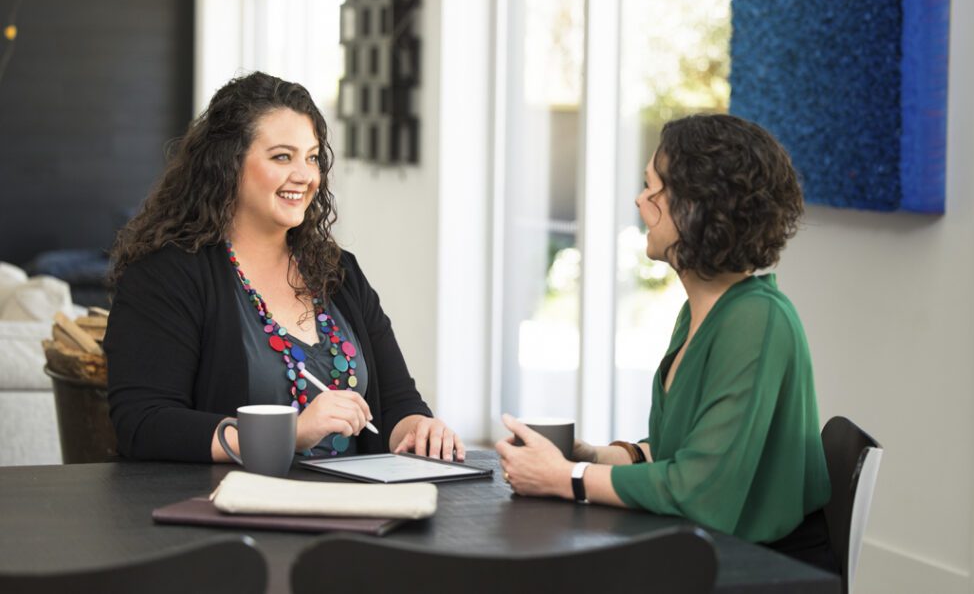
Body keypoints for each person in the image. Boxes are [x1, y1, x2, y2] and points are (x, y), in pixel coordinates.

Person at [496, 114, 836, 572]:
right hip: (714, 550)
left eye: (651, 188)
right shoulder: (704, 312)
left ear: (696, 204)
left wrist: (567, 478)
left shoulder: (758, 321)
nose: (640, 200)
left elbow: (700, 491)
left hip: (764, 568)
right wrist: (597, 455)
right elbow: (689, 451)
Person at [106, 71, 464, 463]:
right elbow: (144, 425)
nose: (304, 176)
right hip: (230, 511)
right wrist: (287, 434)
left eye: (311, 157)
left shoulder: (338, 273)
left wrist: (420, 429)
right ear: (228, 163)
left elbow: (396, 403)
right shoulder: (165, 276)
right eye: (282, 156)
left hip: (353, 510)